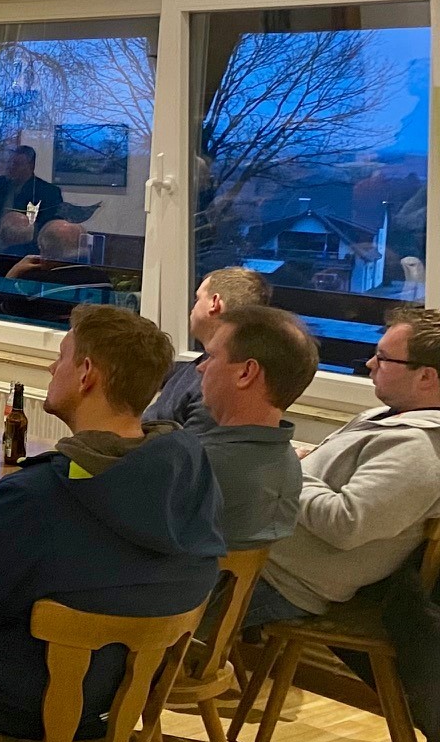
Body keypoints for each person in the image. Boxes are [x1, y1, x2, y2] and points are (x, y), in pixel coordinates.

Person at [0, 305, 224, 742]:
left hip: (11, 701)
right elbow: (83, 569)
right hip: (117, 699)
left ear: (87, 373)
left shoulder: (41, 494)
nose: (53, 367)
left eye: (63, 356)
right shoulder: (185, 471)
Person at [249, 307, 440, 629]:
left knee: (156, 592)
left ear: (426, 376)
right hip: (258, 557)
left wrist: (286, 468)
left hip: (281, 582)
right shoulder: (385, 415)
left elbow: (346, 524)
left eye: (382, 358)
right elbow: (328, 473)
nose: (370, 364)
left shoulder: (419, 451)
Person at [194, 305, 316, 550]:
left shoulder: (195, 464)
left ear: (246, 372)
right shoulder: (287, 462)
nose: (201, 367)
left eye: (212, 357)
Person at [145, 267, 272, 429]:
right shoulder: (218, 357)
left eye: (197, 299)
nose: (193, 307)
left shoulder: (219, 384)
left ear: (215, 303)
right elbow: (184, 373)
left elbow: (194, 452)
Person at [0, 144, 65, 248]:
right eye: (10, 163)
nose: (11, 168)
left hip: (20, 249)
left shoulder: (47, 192)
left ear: (31, 166)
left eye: (17, 164)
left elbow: (47, 228)